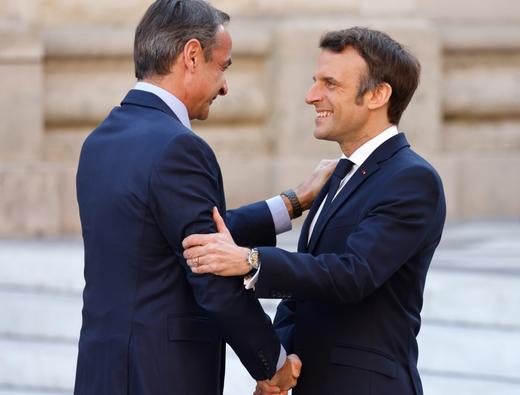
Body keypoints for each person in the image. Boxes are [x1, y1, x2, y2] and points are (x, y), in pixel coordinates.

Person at [74, 1, 335, 394]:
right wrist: (273, 363)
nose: (225, 86)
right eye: (223, 66)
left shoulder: (100, 140)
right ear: (192, 55)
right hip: (161, 376)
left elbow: (174, 236)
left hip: (102, 370)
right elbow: (209, 271)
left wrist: (294, 201)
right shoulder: (179, 147)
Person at [182, 27, 447, 395]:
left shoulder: (412, 179)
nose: (311, 96)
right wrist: (275, 368)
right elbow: (303, 294)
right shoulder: (338, 174)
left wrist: (252, 261)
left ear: (378, 95)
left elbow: (354, 273)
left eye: (330, 84)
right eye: (314, 82)